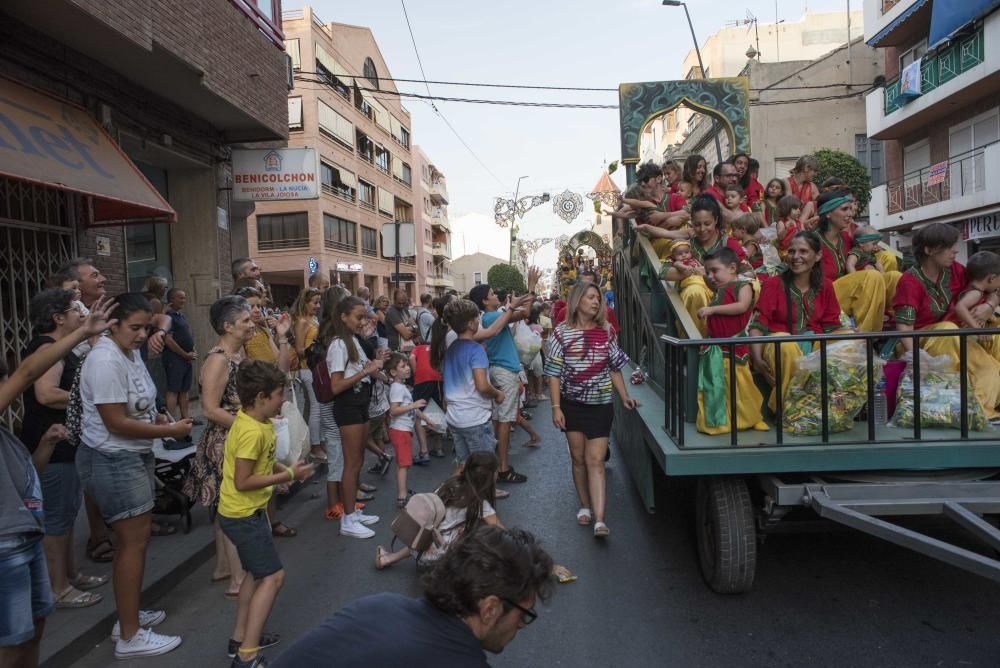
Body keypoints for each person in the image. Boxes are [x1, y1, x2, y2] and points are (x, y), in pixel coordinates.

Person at [76, 293, 193, 659]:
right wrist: (168, 432)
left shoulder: (127, 353)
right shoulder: (105, 359)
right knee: (132, 544)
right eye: (136, 327)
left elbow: (138, 406)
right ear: (113, 325)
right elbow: (115, 422)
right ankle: (129, 635)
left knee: (136, 543)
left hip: (130, 456)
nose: (143, 334)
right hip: (113, 459)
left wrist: (158, 418)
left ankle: (129, 616)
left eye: (147, 327)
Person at [0, 295, 115, 667]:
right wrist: (83, 330)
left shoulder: (5, 437)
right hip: (6, 545)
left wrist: (47, 444)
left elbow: (27, 475)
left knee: (33, 629)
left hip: (23, 535)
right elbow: (28, 374)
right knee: (13, 640)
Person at [273, 525, 552, 666]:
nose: (520, 627)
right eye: (523, 616)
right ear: (490, 609)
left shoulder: (381, 604)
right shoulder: (460, 661)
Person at [218, 360, 313, 667]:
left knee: (253, 575)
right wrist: (287, 477)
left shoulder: (256, 423)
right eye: (278, 394)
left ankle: (240, 639)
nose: (283, 399)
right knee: (273, 577)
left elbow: (262, 464)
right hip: (244, 515)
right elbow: (243, 481)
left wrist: (288, 470)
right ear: (260, 397)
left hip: (247, 512)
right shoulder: (251, 432)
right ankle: (247, 656)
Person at [19, 289, 108, 611]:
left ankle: (70, 575)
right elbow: (45, 393)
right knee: (56, 518)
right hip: (51, 445)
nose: (80, 313)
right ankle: (58, 587)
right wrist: (86, 397)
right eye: (74, 309)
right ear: (58, 318)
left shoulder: (61, 348)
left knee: (66, 514)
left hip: (66, 444)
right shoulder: (46, 348)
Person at [545, 281, 638, 538]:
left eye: (598, 298)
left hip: (600, 405)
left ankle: (599, 519)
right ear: (577, 301)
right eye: (590, 297)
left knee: (595, 460)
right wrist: (555, 408)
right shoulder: (560, 333)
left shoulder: (606, 331)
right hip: (571, 405)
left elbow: (615, 367)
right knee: (578, 460)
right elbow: (553, 374)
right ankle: (584, 506)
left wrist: (625, 397)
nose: (596, 302)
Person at [183, 296, 254, 597]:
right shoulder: (218, 360)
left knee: (225, 510)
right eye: (246, 321)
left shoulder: (236, 355)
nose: (252, 324)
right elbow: (210, 409)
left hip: (235, 438)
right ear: (227, 326)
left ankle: (225, 567)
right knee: (232, 511)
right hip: (225, 443)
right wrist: (248, 427)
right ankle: (238, 578)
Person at [893, 224, 1000, 421]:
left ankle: (990, 398)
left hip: (960, 337)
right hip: (921, 345)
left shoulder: (957, 270)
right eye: (950, 246)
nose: (956, 251)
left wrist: (990, 306)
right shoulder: (909, 281)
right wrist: (918, 358)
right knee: (948, 330)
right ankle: (976, 406)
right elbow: (904, 327)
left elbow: (989, 284)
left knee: (996, 331)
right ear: (929, 250)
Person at [749, 232, 843, 411]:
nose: (796, 257)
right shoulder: (773, 284)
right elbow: (758, 323)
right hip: (779, 346)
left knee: (848, 339)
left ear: (818, 256)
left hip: (814, 342)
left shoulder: (826, 285)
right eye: (791, 251)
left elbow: (832, 325)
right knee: (786, 344)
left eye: (803, 251)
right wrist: (758, 359)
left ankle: (838, 407)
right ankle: (791, 411)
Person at [376, 451, 499, 570]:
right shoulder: (480, 503)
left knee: (437, 528)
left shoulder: (448, 485)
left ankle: (389, 558)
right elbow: (501, 531)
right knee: (481, 534)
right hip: (441, 558)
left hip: (420, 546)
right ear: (491, 475)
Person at [327, 296, 384, 539]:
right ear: (343, 317)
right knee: (351, 464)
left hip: (360, 404)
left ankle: (353, 512)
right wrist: (365, 371)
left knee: (358, 461)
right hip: (348, 405)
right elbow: (336, 386)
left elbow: (368, 369)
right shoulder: (339, 344)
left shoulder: (353, 341)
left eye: (364, 316)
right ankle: (348, 518)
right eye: (358, 317)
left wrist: (378, 362)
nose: (363, 321)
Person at [695, 250, 768, 434]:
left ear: (732, 268)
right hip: (715, 348)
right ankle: (718, 422)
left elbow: (741, 306)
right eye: (707, 272)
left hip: (735, 347)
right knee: (715, 387)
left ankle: (750, 418)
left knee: (741, 386)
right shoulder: (719, 291)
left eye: (714, 271)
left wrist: (712, 310)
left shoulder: (743, 285)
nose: (710, 276)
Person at [658, 196, 749, 334]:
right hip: (693, 298)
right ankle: (696, 348)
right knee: (695, 291)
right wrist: (696, 272)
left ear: (716, 220)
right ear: (691, 223)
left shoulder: (728, 243)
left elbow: (748, 272)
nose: (702, 229)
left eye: (707, 223)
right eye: (696, 224)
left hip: (724, 297)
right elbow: (663, 273)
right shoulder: (686, 246)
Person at [469, 285, 529, 485]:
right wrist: (529, 287)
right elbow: (525, 313)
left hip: (498, 369)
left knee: (499, 419)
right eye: (492, 294)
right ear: (485, 301)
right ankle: (503, 468)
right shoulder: (492, 317)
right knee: (505, 421)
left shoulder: (490, 317)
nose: (496, 296)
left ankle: (496, 464)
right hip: (504, 371)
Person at [816, 189, 899, 333]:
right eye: (844, 209)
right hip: (824, 297)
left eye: (850, 208)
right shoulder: (813, 241)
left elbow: (862, 260)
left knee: (894, 277)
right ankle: (865, 336)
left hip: (848, 294)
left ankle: (900, 326)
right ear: (828, 213)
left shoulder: (847, 239)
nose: (850, 213)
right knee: (871, 276)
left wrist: (869, 265)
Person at [441, 299, 504, 475]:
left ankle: (454, 498)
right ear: (470, 323)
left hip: (455, 417)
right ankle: (482, 500)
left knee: (462, 464)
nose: (479, 321)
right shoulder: (476, 350)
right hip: (474, 417)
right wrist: (498, 394)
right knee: (484, 468)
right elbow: (482, 386)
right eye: (477, 318)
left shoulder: (451, 348)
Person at [386, 353, 433, 507]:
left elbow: (411, 410)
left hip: (403, 430)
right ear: (393, 372)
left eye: (407, 365)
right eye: (403, 366)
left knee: (402, 463)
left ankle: (403, 490)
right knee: (404, 464)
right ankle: (402, 495)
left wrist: (426, 419)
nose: (407, 369)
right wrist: (413, 405)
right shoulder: (397, 388)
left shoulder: (401, 387)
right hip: (400, 431)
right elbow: (394, 411)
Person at [290, 288, 324, 463]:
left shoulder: (314, 319)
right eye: (314, 302)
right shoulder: (302, 321)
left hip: (315, 367)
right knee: (316, 407)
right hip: (307, 368)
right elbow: (299, 349)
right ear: (305, 302)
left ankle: (313, 441)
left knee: (314, 407)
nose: (317, 306)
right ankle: (315, 447)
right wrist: (315, 349)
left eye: (319, 302)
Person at [161, 288, 197, 426]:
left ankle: (186, 418)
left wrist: (192, 351)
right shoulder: (168, 317)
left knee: (184, 390)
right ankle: (172, 421)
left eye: (184, 297)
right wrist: (184, 354)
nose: (184, 300)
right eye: (180, 298)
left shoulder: (180, 316)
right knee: (173, 390)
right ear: (172, 299)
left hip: (186, 359)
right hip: (174, 358)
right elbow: (168, 340)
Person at [946, 251, 1000, 331]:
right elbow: (960, 307)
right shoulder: (976, 293)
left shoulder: (977, 290)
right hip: (962, 329)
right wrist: (978, 330)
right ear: (992, 278)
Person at [410, 340, 445, 458]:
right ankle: (438, 448)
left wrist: (416, 373)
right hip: (438, 379)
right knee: (437, 411)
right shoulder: (436, 348)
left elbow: (411, 358)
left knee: (418, 411)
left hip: (422, 379)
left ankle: (424, 452)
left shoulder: (418, 347)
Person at [785, 155, 820, 229]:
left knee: (813, 204)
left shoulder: (812, 186)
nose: (816, 174)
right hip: (788, 223)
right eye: (815, 170)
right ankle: (798, 228)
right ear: (806, 168)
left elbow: (820, 206)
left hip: (807, 226)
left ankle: (799, 228)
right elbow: (789, 207)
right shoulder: (787, 182)